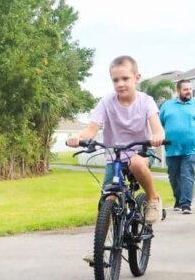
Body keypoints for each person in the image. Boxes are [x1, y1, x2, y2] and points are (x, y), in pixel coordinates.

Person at [65, 55, 166, 224]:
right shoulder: (106, 102)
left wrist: (157, 136)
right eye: (115, 80)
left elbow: (157, 127)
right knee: (107, 199)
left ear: (136, 78)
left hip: (140, 150)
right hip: (115, 155)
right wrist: (76, 137)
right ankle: (100, 248)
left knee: (136, 163)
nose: (120, 84)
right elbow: (91, 129)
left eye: (125, 78)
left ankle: (152, 199)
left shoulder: (146, 101)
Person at [158, 79, 195, 214]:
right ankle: (178, 199)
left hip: (191, 149)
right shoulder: (167, 106)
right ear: (178, 91)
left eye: (190, 89)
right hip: (172, 149)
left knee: (187, 173)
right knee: (173, 176)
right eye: (185, 89)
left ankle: (186, 204)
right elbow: (158, 126)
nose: (189, 92)